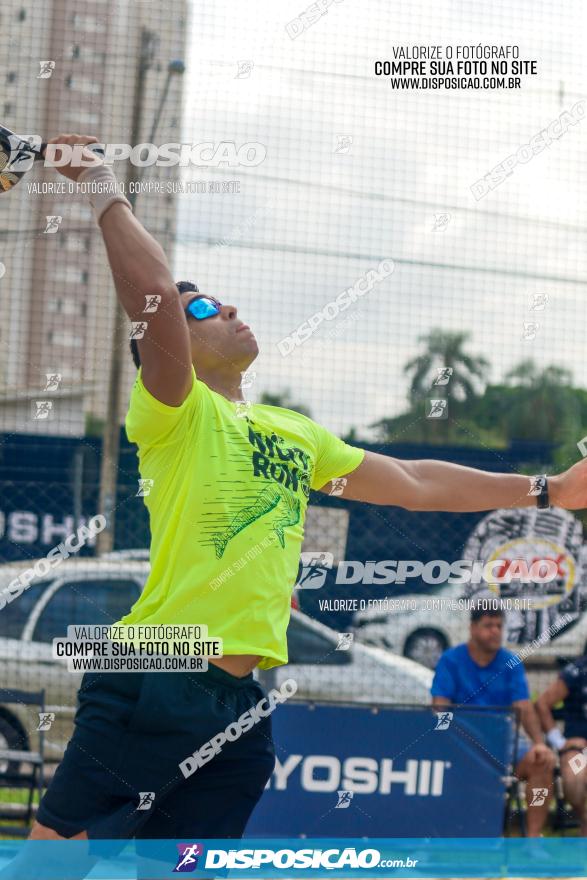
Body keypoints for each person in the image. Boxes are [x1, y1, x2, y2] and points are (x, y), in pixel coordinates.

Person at [28, 133, 587, 843]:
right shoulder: (175, 411)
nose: (225, 310)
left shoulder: (293, 431)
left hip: (236, 696)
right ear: (168, 344)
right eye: (203, 311)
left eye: (221, 302)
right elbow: (155, 297)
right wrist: (103, 184)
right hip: (157, 660)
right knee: (58, 860)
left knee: (179, 864)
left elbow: (414, 482)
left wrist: (547, 490)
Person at [431, 604, 556, 837]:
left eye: (499, 626)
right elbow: (440, 707)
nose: (495, 631)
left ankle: (533, 841)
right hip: (461, 746)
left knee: (542, 762)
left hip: (505, 744)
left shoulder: (511, 662)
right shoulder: (451, 660)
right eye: (488, 625)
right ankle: (440, 834)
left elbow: (523, 706)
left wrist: (539, 742)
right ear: (472, 628)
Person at [536, 655, 587, 834]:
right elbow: (542, 704)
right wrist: (559, 742)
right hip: (580, 747)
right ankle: (584, 819)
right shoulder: (577, 671)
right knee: (574, 776)